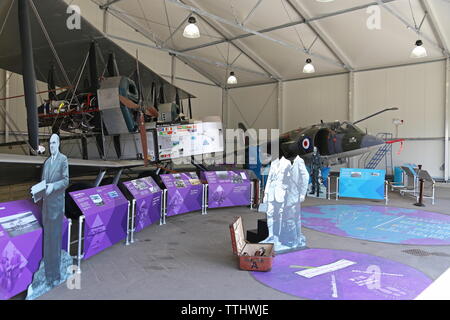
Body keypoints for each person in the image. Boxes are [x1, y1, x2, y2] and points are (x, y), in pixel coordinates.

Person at [40, 134, 69, 286]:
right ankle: (48, 274)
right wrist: (38, 191)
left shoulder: (63, 160)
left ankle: (55, 275)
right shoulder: (46, 162)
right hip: (46, 207)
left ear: (58, 143)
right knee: (47, 241)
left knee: (55, 242)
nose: (51, 145)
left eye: (53, 143)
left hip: (57, 208)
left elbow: (65, 180)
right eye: (49, 143)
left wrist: (53, 186)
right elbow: (43, 182)